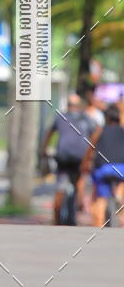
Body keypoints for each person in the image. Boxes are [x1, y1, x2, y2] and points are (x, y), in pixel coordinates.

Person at [40, 93, 96, 224]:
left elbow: (49, 133)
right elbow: (95, 136)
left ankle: (56, 218)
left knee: (60, 185)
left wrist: (44, 150)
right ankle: (78, 206)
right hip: (80, 158)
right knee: (80, 182)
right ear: (79, 106)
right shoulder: (87, 118)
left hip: (63, 157)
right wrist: (92, 155)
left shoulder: (61, 117)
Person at [81, 104, 124, 227]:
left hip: (103, 169)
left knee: (100, 200)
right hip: (121, 169)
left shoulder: (100, 130)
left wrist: (84, 165)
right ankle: (119, 196)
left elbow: (90, 149)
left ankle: (98, 225)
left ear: (106, 118)